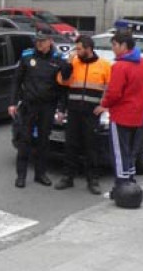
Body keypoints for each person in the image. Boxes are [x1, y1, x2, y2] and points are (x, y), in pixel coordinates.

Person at [94, 32, 143, 198]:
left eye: (114, 45)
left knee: (119, 153)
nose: (113, 49)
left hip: (121, 115)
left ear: (123, 46)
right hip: (139, 115)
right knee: (131, 151)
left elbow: (114, 93)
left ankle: (120, 189)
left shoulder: (120, 67)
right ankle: (130, 183)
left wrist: (103, 105)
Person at [8, 32, 72, 188]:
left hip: (48, 106)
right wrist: (12, 103)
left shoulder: (58, 59)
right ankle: (21, 176)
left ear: (50, 41)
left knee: (44, 141)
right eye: (37, 41)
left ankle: (40, 174)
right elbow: (16, 81)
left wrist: (61, 109)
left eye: (42, 41)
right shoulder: (27, 56)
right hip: (29, 105)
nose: (39, 44)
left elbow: (63, 87)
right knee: (25, 140)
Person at [54, 35, 112, 195]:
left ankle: (92, 180)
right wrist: (68, 63)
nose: (76, 51)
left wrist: (104, 105)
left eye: (79, 49)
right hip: (73, 111)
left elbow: (110, 89)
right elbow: (62, 81)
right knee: (70, 145)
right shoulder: (73, 63)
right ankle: (68, 177)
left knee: (91, 147)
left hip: (91, 113)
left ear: (89, 49)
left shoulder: (105, 66)